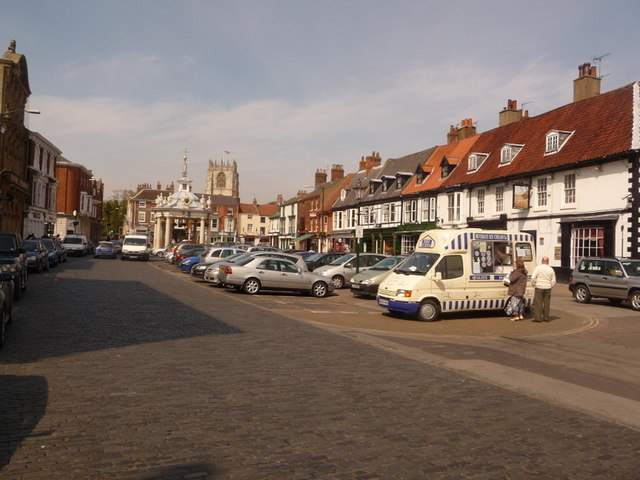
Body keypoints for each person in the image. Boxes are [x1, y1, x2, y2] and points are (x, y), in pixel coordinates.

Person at [531, 256, 556, 322]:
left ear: (542, 261)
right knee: (546, 303)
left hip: (539, 286)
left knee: (538, 303)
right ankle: (546, 318)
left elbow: (533, 278)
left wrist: (534, 285)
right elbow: (553, 280)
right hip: (547, 287)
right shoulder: (551, 269)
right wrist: (550, 286)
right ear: (548, 262)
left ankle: (538, 318)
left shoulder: (538, 268)